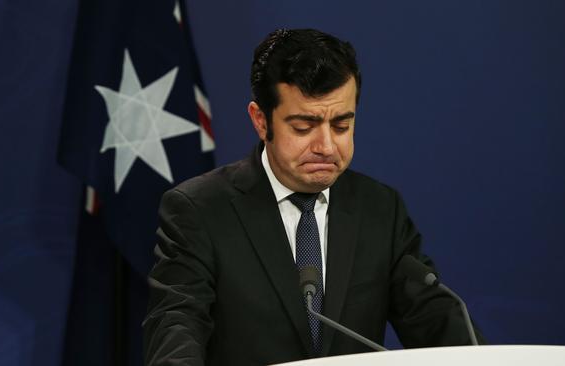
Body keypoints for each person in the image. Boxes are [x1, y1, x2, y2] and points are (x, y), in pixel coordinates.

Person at [143, 28, 483, 366]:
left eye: (341, 125)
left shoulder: (380, 209)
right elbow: (176, 329)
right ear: (261, 121)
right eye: (304, 126)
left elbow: (437, 321)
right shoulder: (198, 210)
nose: (326, 147)